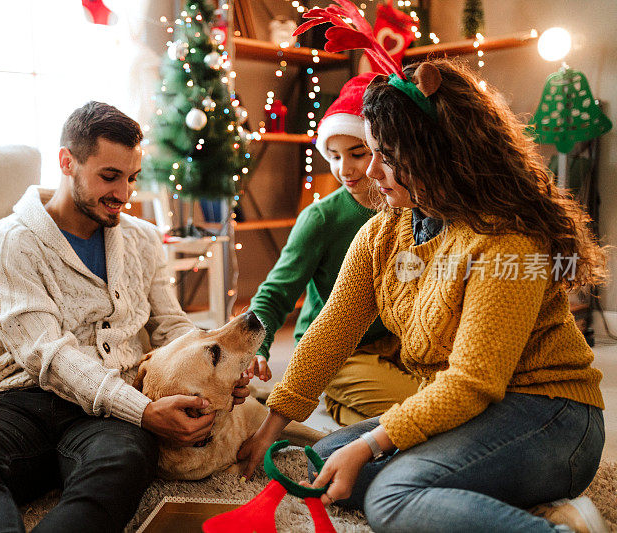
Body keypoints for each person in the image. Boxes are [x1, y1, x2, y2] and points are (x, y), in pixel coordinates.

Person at [238, 59, 608, 533]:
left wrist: (370, 444)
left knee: (392, 496)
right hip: (478, 412)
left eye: (385, 156)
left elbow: (473, 381)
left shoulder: (504, 239)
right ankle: (532, 506)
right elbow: (330, 333)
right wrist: (270, 426)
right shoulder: (383, 233)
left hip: (552, 415)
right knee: (320, 465)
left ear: (436, 154)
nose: (370, 171)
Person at [0, 101, 251, 533]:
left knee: (126, 460)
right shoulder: (6, 242)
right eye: (109, 176)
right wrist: (143, 412)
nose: (124, 193)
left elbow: (171, 326)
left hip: (107, 415)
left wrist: (227, 361)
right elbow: (48, 355)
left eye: (132, 177)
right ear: (68, 162)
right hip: (23, 401)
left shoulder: (142, 238)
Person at [247, 72, 419, 426]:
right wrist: (256, 348)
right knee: (422, 404)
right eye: (334, 156)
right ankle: (339, 394)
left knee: (445, 397)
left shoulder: (409, 210)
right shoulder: (321, 219)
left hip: (398, 343)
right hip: (337, 351)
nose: (345, 169)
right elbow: (276, 292)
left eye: (358, 153)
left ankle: (347, 410)